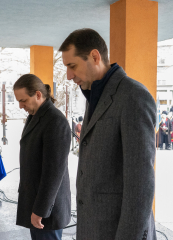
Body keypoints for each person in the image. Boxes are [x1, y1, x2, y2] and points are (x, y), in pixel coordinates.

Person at [60, 28, 156, 239]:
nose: (68, 76)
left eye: (72, 66)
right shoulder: (93, 95)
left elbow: (140, 185)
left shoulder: (134, 96)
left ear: (95, 57)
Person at [13, 74, 71, 240]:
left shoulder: (55, 121)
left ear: (38, 95)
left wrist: (41, 210)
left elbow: (53, 173)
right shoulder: (35, 116)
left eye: (23, 100)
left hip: (47, 208)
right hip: (36, 200)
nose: (20, 105)